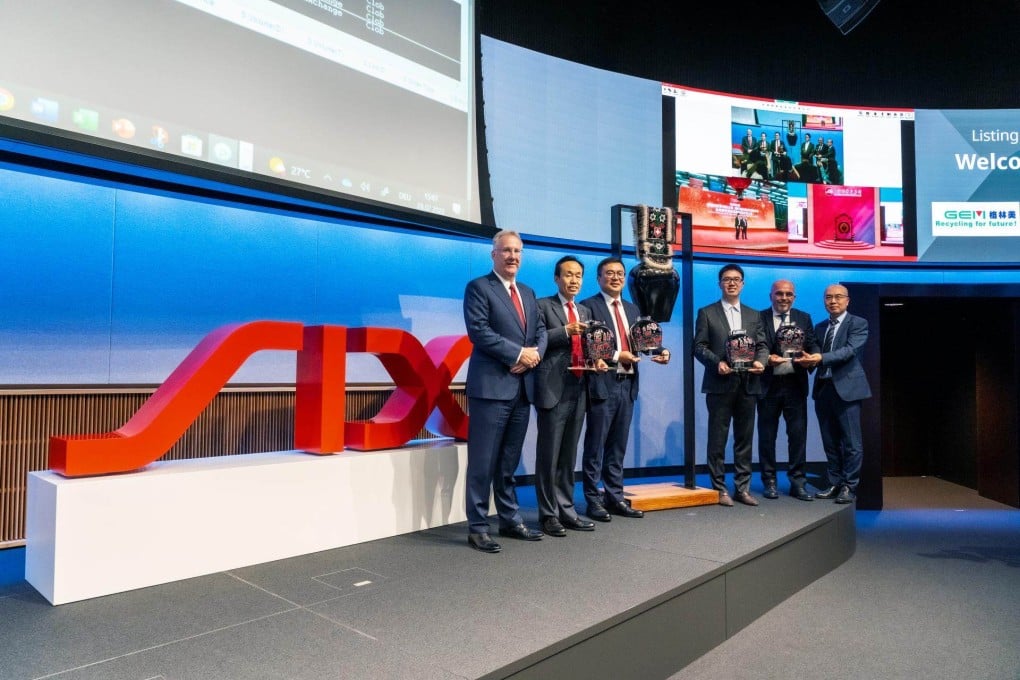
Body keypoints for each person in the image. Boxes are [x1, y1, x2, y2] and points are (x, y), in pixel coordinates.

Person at [462, 230, 548, 552]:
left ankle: (510, 520)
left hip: (522, 388)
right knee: (482, 462)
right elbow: (479, 331)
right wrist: (517, 354)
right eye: (506, 250)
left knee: (508, 463)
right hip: (491, 388)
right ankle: (478, 526)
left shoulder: (527, 292)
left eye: (517, 251)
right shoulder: (479, 288)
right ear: (493, 255)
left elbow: (539, 331)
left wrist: (532, 356)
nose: (512, 256)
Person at [580, 256, 670, 521]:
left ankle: (615, 497)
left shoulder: (633, 309)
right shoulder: (589, 307)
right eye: (609, 273)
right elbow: (588, 346)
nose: (616, 277)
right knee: (595, 447)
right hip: (602, 385)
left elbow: (645, 342)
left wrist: (662, 351)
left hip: (628, 385)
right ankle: (593, 501)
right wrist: (618, 355)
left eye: (620, 273)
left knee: (618, 447)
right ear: (599, 278)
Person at [533, 256, 605, 536]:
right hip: (552, 388)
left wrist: (597, 360)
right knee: (548, 455)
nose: (574, 280)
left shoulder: (585, 311)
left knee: (568, 455)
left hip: (579, 386)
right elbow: (536, 341)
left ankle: (567, 509)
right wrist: (564, 331)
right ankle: (547, 514)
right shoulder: (542, 306)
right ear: (556, 278)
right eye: (568, 275)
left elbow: (587, 347)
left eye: (578, 276)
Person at [693, 264, 768, 506]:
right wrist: (717, 363)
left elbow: (763, 345)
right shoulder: (707, 313)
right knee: (718, 439)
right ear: (720, 284)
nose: (732, 283)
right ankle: (719, 488)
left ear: (743, 284)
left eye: (736, 279)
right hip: (719, 384)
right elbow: (699, 346)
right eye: (727, 279)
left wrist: (761, 361)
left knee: (744, 439)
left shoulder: (755, 315)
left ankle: (742, 488)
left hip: (748, 384)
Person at [803, 284, 871, 504]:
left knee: (852, 443)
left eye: (838, 297)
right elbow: (813, 352)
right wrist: (807, 359)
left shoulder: (858, 323)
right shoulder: (821, 326)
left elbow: (850, 351)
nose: (833, 301)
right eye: (829, 297)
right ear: (824, 301)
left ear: (847, 301)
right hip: (823, 389)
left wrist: (820, 358)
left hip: (848, 391)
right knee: (829, 441)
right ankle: (834, 482)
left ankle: (849, 487)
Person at [756, 280, 820, 501]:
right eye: (779, 294)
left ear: (794, 297)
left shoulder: (804, 318)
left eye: (789, 294)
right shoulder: (759, 317)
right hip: (767, 386)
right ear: (771, 295)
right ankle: (769, 482)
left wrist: (811, 358)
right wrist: (765, 359)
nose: (784, 298)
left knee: (797, 437)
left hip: (795, 385)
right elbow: (755, 347)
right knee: (766, 437)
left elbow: (812, 344)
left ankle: (798, 483)